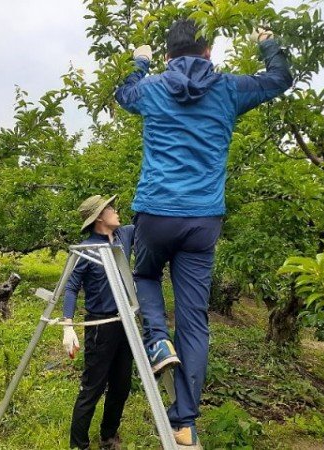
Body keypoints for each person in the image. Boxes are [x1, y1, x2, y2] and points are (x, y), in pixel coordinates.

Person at [115, 19, 292, 449]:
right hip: (203, 220)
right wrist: (268, 43)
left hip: (156, 212)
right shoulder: (229, 88)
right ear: (209, 51)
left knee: (144, 276)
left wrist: (139, 61)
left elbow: (123, 94)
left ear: (167, 54)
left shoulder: (153, 87)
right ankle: (185, 423)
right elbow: (280, 79)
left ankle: (157, 339)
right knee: (195, 322)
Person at [62, 194, 135, 450]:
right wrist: (68, 326)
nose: (116, 211)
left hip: (125, 323)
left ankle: (108, 436)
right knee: (92, 388)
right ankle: (78, 445)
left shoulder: (125, 236)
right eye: (111, 208)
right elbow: (71, 287)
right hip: (100, 326)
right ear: (100, 217)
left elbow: (145, 218)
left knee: (121, 385)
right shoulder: (87, 249)